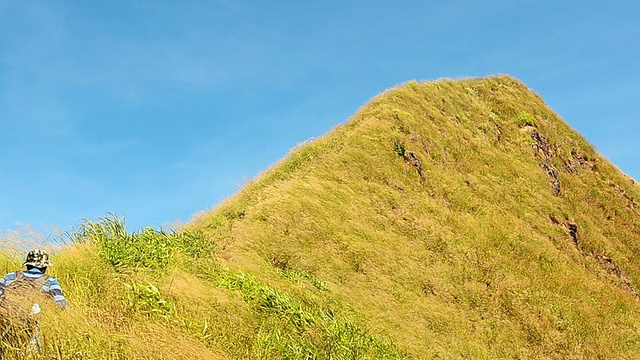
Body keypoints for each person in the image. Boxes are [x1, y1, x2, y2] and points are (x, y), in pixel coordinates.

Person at [0, 249, 67, 355]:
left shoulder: (11, 276)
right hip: (30, 326)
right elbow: (61, 304)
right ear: (44, 267)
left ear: (27, 265)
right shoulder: (50, 281)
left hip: (4, 321)